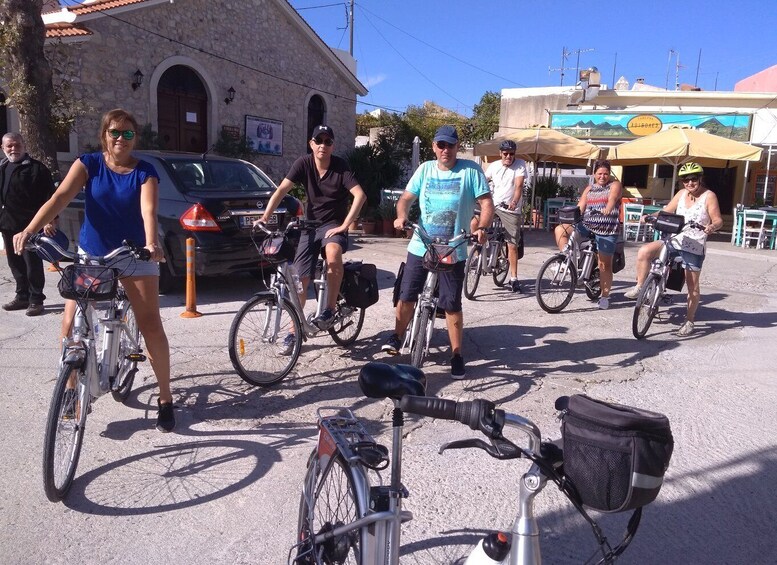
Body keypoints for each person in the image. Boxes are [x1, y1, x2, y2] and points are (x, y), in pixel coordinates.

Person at [13, 109, 175, 432]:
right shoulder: (90, 164)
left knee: (150, 325)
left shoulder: (145, 171)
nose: (121, 139)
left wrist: (150, 243)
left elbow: (149, 210)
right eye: (115, 132)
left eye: (128, 134)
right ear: (104, 135)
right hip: (92, 253)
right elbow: (59, 197)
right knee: (70, 323)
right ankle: (71, 391)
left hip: (133, 254)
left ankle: (166, 399)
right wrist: (30, 229)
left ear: (135, 139)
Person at [382, 125, 493, 379]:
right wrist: (401, 217)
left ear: (457, 146)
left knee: (452, 304)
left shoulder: (471, 171)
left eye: (450, 145)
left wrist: (482, 227)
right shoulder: (425, 170)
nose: (445, 150)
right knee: (407, 294)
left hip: (454, 245)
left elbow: (486, 204)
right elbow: (406, 199)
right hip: (423, 243)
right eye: (441, 145)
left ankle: (456, 354)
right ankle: (397, 336)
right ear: (434, 147)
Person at [258, 124, 366, 352]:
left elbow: (360, 195)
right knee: (300, 278)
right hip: (309, 226)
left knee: (333, 255)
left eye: (328, 141)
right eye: (319, 141)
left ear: (332, 145)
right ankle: (293, 331)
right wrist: (266, 217)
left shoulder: (340, 167)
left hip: (333, 225)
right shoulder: (303, 163)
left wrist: (346, 225)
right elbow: (281, 190)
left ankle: (329, 308)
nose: (323, 146)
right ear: (312, 144)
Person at [623, 162, 723, 336]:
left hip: (694, 245)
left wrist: (712, 227)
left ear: (700, 178)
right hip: (675, 240)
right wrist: (649, 217)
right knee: (645, 251)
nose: (689, 183)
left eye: (693, 179)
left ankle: (689, 321)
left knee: (692, 286)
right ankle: (641, 287)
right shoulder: (682, 193)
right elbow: (666, 211)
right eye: (685, 180)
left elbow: (718, 219)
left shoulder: (709, 196)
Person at [554, 159, 622, 310]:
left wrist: (608, 208)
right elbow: (580, 207)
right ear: (594, 174)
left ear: (609, 174)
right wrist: (571, 214)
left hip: (607, 228)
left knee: (605, 265)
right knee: (561, 230)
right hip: (587, 225)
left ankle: (604, 297)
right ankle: (567, 261)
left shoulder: (614, 185)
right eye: (599, 174)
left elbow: (612, 198)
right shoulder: (589, 189)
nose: (603, 177)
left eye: (605, 174)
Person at [0, 133, 56, 316]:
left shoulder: (37, 169)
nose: (13, 149)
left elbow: (51, 198)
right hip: (8, 224)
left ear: (24, 146)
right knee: (15, 263)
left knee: (32, 264)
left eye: (17, 145)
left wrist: (49, 220)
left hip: (30, 227)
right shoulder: (2, 166)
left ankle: (36, 300)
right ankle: (22, 296)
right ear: (3, 148)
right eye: (9, 146)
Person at [478, 139, 526, 292]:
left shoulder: (520, 165)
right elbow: (484, 181)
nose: (508, 157)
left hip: (510, 209)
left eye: (511, 154)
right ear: (500, 153)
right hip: (494, 205)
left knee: (511, 244)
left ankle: (513, 278)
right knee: (476, 222)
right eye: (505, 154)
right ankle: (479, 252)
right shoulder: (494, 166)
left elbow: (518, 186)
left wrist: (514, 201)